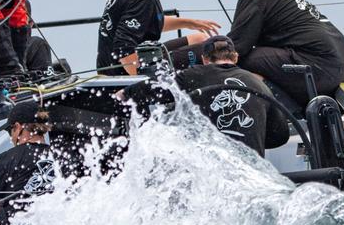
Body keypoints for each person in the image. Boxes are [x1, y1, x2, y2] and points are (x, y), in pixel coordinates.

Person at [215, 0, 344, 107]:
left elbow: (235, 47)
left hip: (318, 68)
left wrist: (193, 58)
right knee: (256, 56)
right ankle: (299, 107)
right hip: (339, 68)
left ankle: (286, 112)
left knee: (236, 59)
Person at [124, 35, 290, 156]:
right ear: (235, 57)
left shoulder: (193, 75)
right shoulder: (259, 85)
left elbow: (154, 89)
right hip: (252, 175)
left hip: (212, 176)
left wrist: (125, 93)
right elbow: (280, 136)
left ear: (204, 59)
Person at [0, 100, 57, 225]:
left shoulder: (6, 159)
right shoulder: (59, 157)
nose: (11, 138)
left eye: (10, 131)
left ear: (18, 127)